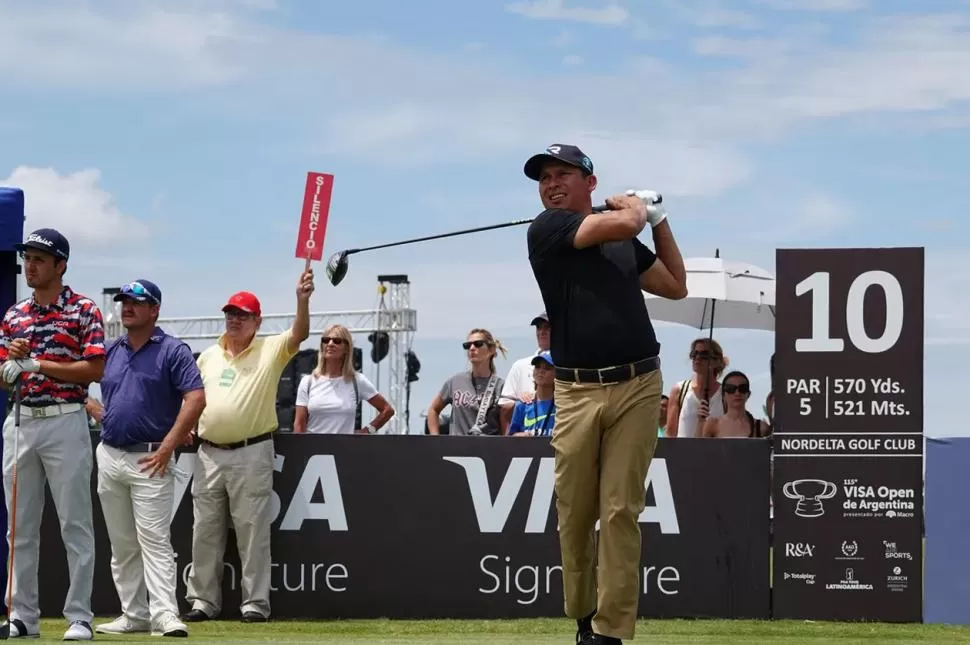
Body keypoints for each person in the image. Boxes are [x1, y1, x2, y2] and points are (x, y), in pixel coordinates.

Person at [523, 144, 687, 644]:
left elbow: (676, 285)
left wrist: (659, 220)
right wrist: (635, 206)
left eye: (563, 175)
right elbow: (621, 223)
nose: (551, 183)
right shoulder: (547, 229)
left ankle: (609, 632)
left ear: (588, 182)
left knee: (620, 511)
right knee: (574, 512)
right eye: (545, 177)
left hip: (639, 384)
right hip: (576, 391)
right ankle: (582, 614)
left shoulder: (622, 237)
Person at [182, 268, 313, 623]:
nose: (234, 320)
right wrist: (188, 425)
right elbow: (195, 396)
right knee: (205, 531)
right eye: (230, 314)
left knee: (252, 532)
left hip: (251, 450)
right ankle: (203, 602)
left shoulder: (270, 348)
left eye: (241, 315)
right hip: (208, 452)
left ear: (257, 320)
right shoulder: (209, 355)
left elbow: (300, 333)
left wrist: (302, 299)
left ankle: (255, 604)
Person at [0, 228, 105, 640]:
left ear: (61, 265)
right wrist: (10, 368)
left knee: (74, 524)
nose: (31, 265)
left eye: (40, 259)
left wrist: (37, 364)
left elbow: (94, 369)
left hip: (65, 421)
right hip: (21, 421)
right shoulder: (14, 316)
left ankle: (79, 616)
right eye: (27, 258)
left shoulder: (83, 310)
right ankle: (23, 616)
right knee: (18, 528)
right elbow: (4, 371)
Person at [85, 280, 206, 637]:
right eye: (124, 301)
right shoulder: (110, 350)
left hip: (151, 458)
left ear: (154, 310)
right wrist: (93, 408)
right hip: (110, 455)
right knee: (122, 543)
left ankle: (165, 615)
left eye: (137, 302)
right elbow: (86, 388)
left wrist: (168, 447)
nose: (127, 307)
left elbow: (196, 399)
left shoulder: (172, 350)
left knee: (154, 540)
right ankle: (134, 614)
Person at [293, 324, 395, 434]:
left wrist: (368, 431)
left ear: (346, 348)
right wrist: (300, 449)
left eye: (337, 341)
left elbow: (387, 410)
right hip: (313, 449)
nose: (330, 344)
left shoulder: (357, 381)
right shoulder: (308, 382)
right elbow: (299, 423)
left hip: (344, 449)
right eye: (326, 340)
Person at [426, 328, 507, 436]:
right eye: (467, 346)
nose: (472, 348)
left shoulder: (501, 386)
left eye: (478, 344)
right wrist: (435, 439)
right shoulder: (455, 382)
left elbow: (505, 426)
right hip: (457, 450)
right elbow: (433, 410)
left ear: (491, 350)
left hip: (487, 450)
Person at [498, 312, 552, 430]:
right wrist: (520, 402)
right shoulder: (520, 365)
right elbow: (505, 408)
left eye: (548, 327)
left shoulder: (568, 365)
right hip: (525, 439)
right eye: (539, 327)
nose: (542, 331)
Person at [665, 338, 727, 438]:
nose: (697, 357)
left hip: (715, 453)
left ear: (717, 361)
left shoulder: (726, 393)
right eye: (694, 353)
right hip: (684, 453)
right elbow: (670, 435)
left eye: (704, 354)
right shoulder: (680, 390)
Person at [700, 370, 770, 438]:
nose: (737, 393)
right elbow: (701, 448)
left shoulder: (761, 427)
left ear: (748, 394)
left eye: (742, 388)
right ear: (723, 395)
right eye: (731, 389)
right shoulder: (712, 425)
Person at [508, 351, 556, 437]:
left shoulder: (562, 406)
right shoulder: (522, 405)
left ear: (556, 374)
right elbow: (510, 437)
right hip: (528, 450)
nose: (541, 371)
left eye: (547, 368)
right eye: (537, 367)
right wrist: (520, 435)